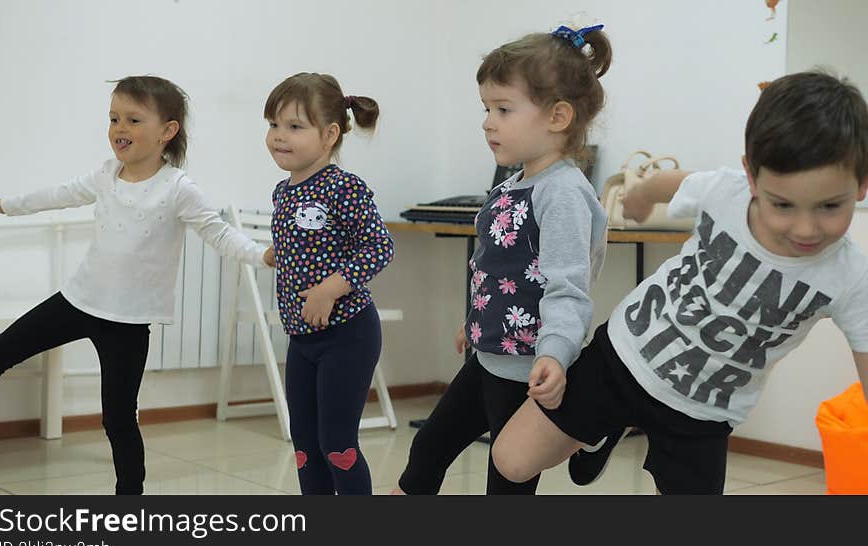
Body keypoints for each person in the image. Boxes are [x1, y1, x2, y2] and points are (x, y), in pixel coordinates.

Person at [492, 71, 868, 494]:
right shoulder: (725, 192)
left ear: (861, 185)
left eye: (829, 206)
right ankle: (601, 428)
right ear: (751, 177)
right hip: (625, 356)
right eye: (782, 204)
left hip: (701, 414)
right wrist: (638, 197)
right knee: (511, 461)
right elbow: (666, 182)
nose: (805, 228)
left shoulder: (850, 278)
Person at [0, 75, 273, 495]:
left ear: (167, 131)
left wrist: (262, 254)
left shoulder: (178, 188)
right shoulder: (106, 175)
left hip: (127, 321)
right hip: (79, 299)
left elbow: (219, 233)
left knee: (118, 418)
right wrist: (4, 205)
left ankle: (130, 498)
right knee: (0, 350)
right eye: (114, 118)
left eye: (134, 120)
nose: (120, 128)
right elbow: (59, 194)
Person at [392, 23, 612, 494]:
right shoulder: (514, 183)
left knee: (507, 478)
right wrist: (475, 320)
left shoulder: (564, 193)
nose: (489, 121)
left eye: (504, 109)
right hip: (488, 357)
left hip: (527, 369)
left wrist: (555, 354)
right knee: (430, 446)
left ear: (557, 117)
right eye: (487, 109)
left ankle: (590, 426)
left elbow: (567, 286)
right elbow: (496, 267)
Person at [263, 72, 394, 494]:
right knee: (305, 445)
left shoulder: (344, 187)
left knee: (336, 442)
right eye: (273, 125)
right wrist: (275, 252)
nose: (279, 136)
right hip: (302, 338)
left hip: (348, 334)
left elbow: (379, 247)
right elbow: (309, 243)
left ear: (330, 134)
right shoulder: (282, 192)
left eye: (294, 126)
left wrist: (328, 289)